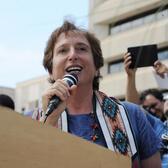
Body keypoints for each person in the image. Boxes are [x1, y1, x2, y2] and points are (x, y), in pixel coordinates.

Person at [35, 21, 161, 167]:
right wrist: (49, 121)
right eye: (63, 50)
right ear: (50, 69)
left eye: (82, 49)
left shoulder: (132, 114)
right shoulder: (28, 122)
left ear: (96, 67)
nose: (73, 55)